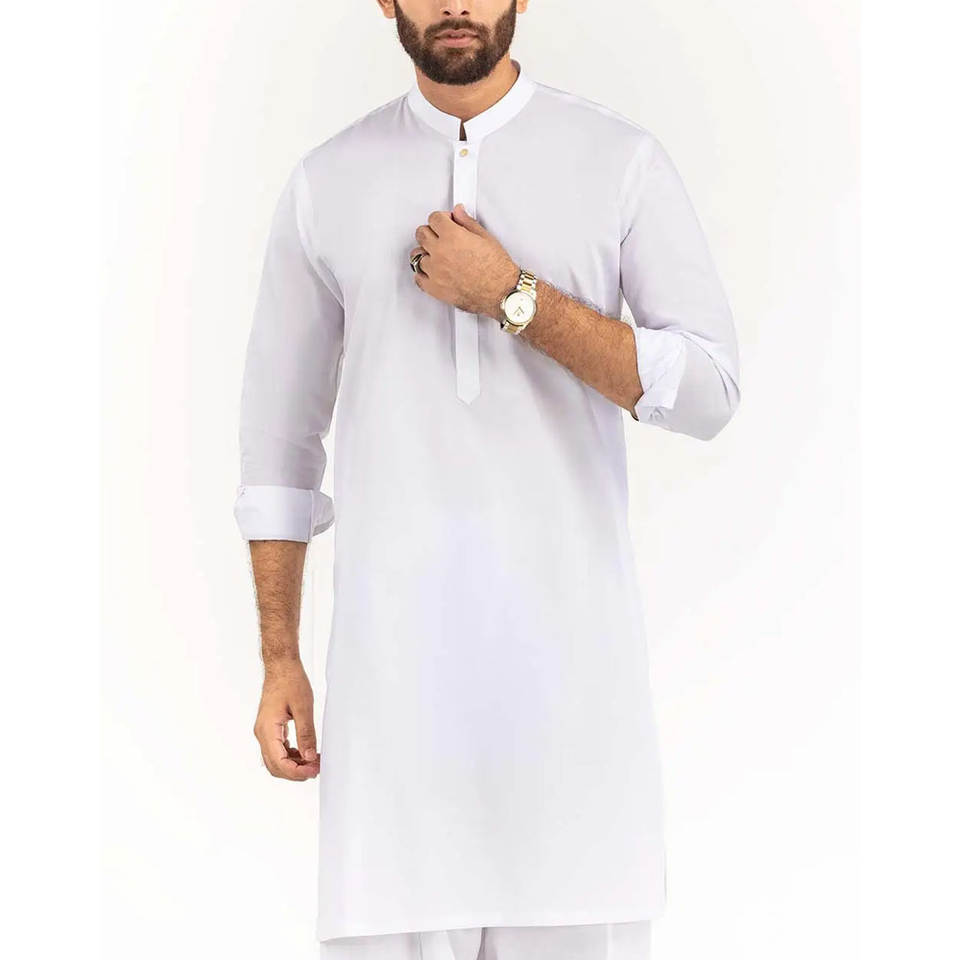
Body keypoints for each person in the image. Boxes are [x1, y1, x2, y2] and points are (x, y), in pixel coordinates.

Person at [233, 2, 741, 958]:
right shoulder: (326, 184)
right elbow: (277, 448)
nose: (457, 4)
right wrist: (279, 659)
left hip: (577, 739)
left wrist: (515, 297)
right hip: (392, 741)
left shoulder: (619, 161)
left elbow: (710, 393)